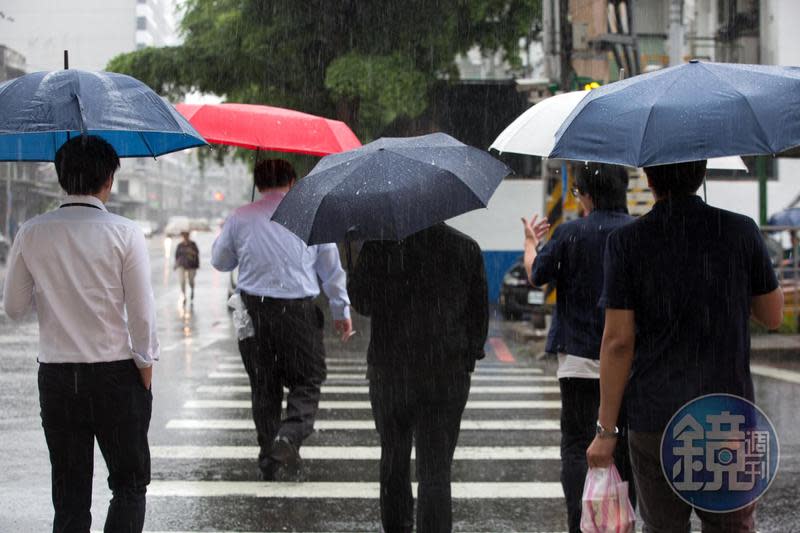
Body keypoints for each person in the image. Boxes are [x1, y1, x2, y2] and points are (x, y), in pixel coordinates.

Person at [587, 160, 784, 532]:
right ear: (703, 173)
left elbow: (617, 342)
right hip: (725, 413)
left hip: (656, 416)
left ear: (647, 177)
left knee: (663, 527)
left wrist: (605, 432)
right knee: (729, 526)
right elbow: (772, 315)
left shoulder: (627, 242)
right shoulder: (740, 231)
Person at [3, 135, 158, 533]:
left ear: (60, 179)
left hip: (56, 377)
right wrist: (145, 367)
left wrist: (55, 290)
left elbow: (15, 307)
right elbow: (142, 313)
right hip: (114, 374)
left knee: (70, 496)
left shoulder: (32, 232)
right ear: (108, 179)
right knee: (128, 484)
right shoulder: (125, 232)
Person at [211, 158, 353, 481]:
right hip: (297, 314)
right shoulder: (308, 215)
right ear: (292, 183)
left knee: (264, 387)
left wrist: (241, 241)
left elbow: (220, 261)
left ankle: (269, 458)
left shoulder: (240, 217)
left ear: (259, 184)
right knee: (308, 379)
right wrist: (340, 310)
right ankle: (288, 437)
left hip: (254, 314)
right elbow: (330, 269)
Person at [348, 222, 489, 533]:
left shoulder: (380, 245)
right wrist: (466, 358)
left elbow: (362, 303)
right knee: (435, 469)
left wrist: (351, 254)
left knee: (394, 459)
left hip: (391, 371)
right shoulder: (465, 247)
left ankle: (398, 526)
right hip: (445, 372)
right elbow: (479, 316)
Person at [522, 163, 636, 533]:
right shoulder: (638, 235)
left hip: (578, 361)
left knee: (576, 446)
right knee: (624, 445)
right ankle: (621, 519)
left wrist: (530, 243)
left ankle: (581, 521)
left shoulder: (570, 234)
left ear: (587, 194)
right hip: (629, 364)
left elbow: (536, 276)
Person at [174, 231, 200, 301]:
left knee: (191, 280)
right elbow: (176, 256)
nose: (185, 237)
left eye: (186, 235)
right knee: (182, 281)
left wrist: (191, 252)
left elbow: (197, 253)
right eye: (183, 235)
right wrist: (175, 265)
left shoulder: (192, 244)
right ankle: (184, 295)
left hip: (191, 264)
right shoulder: (180, 245)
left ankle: (192, 289)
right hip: (181, 264)